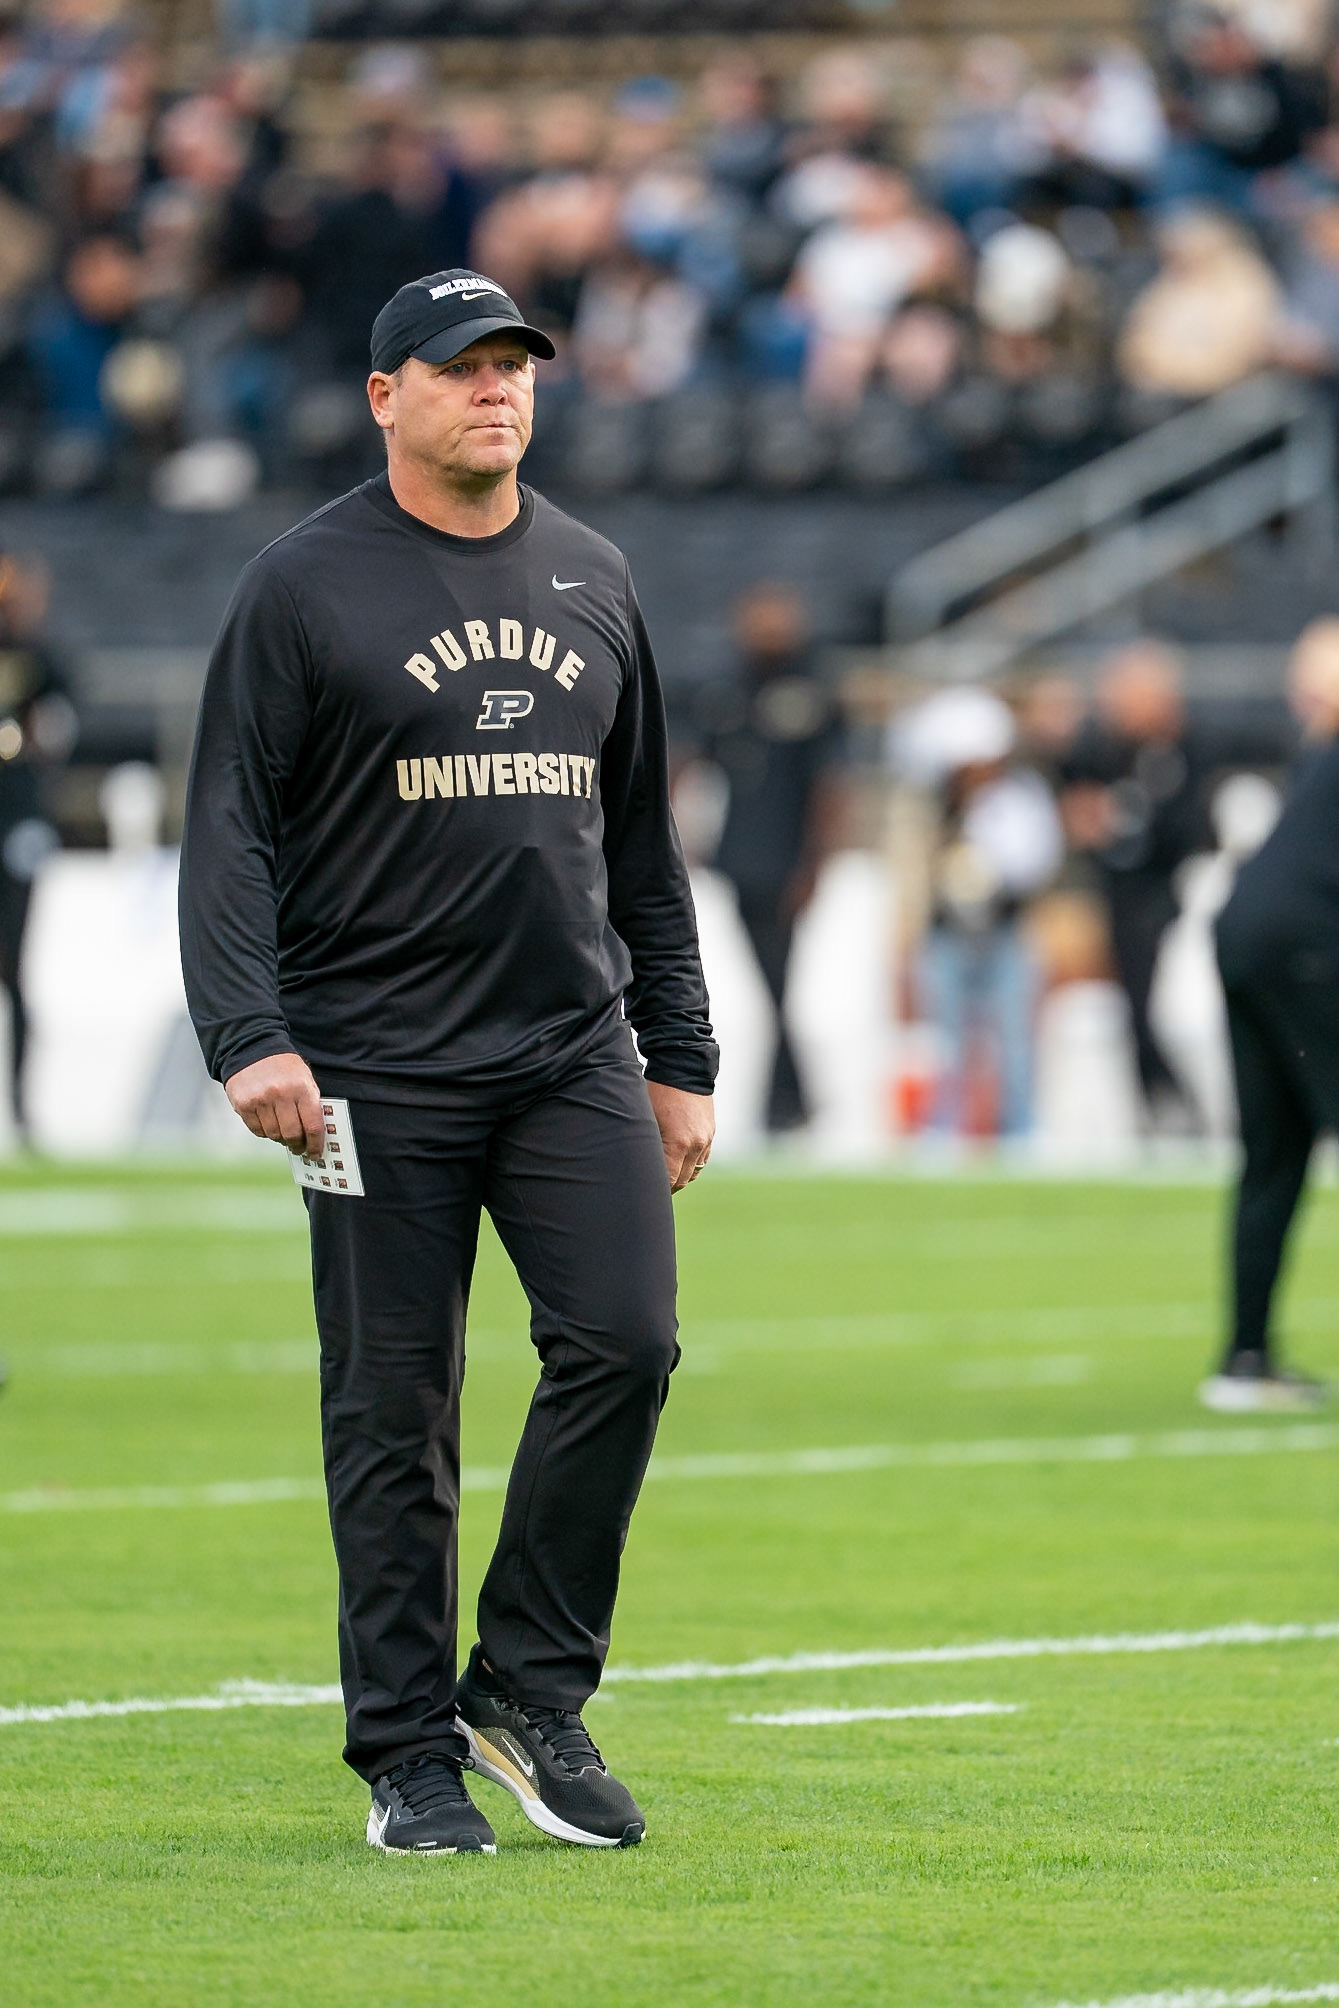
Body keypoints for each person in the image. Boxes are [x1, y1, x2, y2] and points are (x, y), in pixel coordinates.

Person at [178, 267, 718, 1856]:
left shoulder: (595, 575)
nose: (495, 387)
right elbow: (227, 837)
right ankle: (407, 1753)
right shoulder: (299, 585)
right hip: (366, 1066)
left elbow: (640, 846)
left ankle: (527, 1690)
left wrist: (675, 1051)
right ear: (384, 397)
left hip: (567, 1052)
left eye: (514, 364)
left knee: (625, 1342)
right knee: (393, 1411)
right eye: (461, 365)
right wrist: (247, 1033)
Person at [1201, 618, 1339, 1412]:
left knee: (1272, 1153)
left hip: (1244, 934)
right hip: (1305, 942)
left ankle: (1244, 1360)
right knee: (1275, 1153)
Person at [691, 583, 841, 1135]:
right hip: (738, 860)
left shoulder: (811, 692)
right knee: (768, 985)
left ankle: (789, 1098)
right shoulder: (729, 690)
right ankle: (788, 1098)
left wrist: (815, 862)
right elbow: (697, 767)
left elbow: (831, 784)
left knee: (780, 982)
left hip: (786, 862)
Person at [0, 552, 73, 1141]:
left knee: (13, 971)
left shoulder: (38, 658)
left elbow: (60, 721)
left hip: (14, 820)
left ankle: (22, 1106)